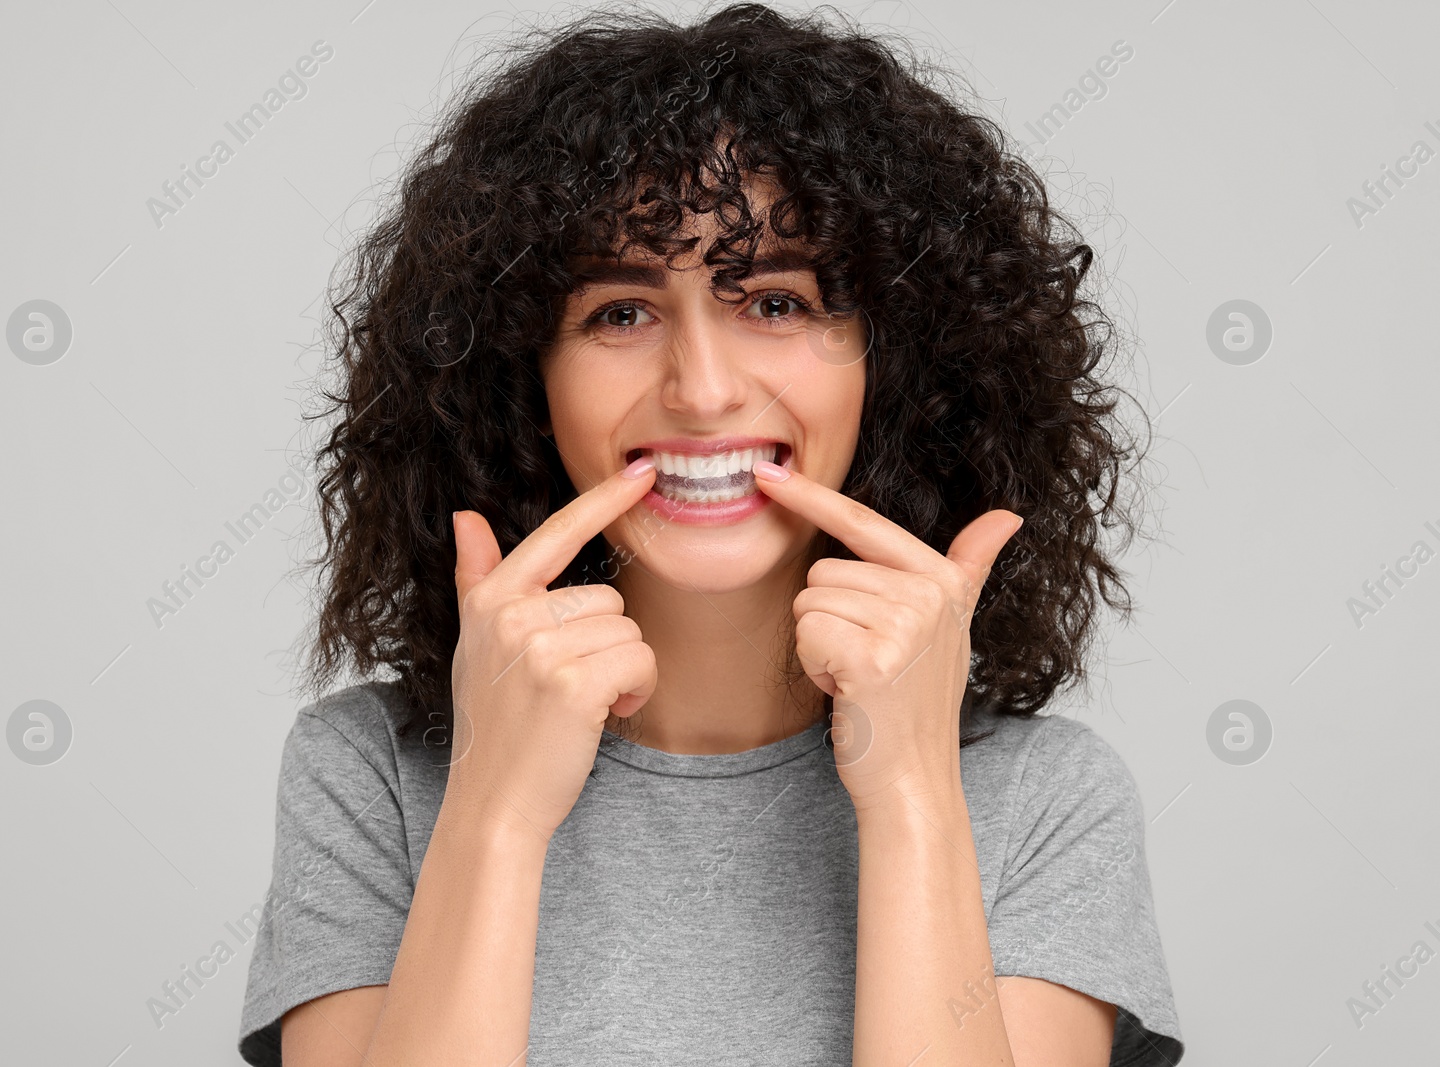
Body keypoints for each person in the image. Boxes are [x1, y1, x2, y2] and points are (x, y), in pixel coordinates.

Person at [237, 4, 1184, 1065]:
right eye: (619, 313)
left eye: (775, 302)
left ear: (898, 364)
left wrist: (913, 794)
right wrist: (494, 817)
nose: (701, 389)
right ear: (518, 376)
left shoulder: (1044, 800)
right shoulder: (369, 774)